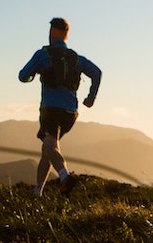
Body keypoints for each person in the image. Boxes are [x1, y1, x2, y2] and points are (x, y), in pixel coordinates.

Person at [18, 17, 101, 196]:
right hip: (70, 113)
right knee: (48, 150)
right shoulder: (77, 59)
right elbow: (97, 73)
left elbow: (23, 76)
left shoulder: (43, 55)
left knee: (50, 148)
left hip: (50, 109)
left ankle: (65, 177)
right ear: (66, 35)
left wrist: (35, 73)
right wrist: (91, 97)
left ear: (51, 33)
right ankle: (37, 191)